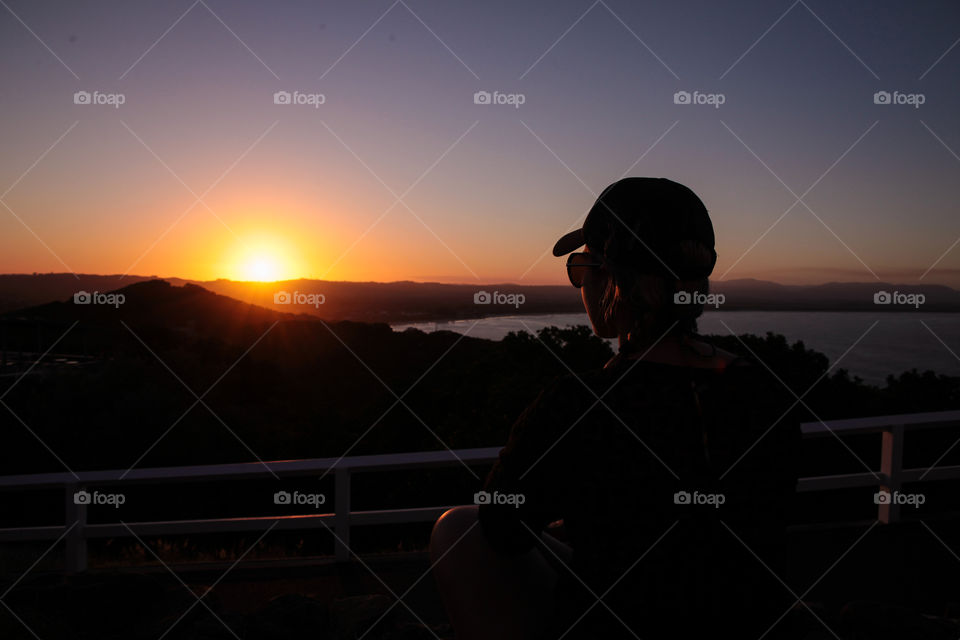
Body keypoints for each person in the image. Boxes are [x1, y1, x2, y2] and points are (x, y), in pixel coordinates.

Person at [431, 178, 801, 639]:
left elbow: (503, 529)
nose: (580, 284)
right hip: (752, 619)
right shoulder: (763, 392)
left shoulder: (579, 405)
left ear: (613, 280)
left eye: (582, 266)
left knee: (458, 530)